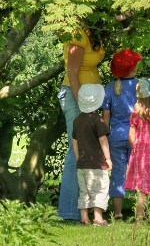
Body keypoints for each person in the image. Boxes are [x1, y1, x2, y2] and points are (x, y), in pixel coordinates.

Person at [57, 27, 105, 220]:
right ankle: (68, 211)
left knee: (85, 152)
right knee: (75, 151)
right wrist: (83, 105)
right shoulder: (77, 33)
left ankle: (82, 210)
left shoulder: (93, 31)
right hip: (76, 97)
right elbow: (71, 72)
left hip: (89, 99)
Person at [101, 48, 142, 221]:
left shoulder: (109, 87)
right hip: (137, 136)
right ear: (133, 68)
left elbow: (106, 116)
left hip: (116, 136)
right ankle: (140, 212)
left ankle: (117, 213)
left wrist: (105, 136)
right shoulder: (141, 86)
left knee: (118, 172)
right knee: (139, 172)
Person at [123, 78, 150, 224]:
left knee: (141, 188)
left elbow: (131, 136)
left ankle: (139, 218)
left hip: (141, 153)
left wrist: (135, 147)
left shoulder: (136, 115)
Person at [72, 84, 112, 226]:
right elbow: (103, 140)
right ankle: (98, 218)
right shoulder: (98, 120)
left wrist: (78, 158)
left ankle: (84, 218)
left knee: (84, 192)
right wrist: (107, 159)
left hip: (81, 164)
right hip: (96, 164)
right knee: (99, 190)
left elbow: (74, 141)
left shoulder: (77, 121)